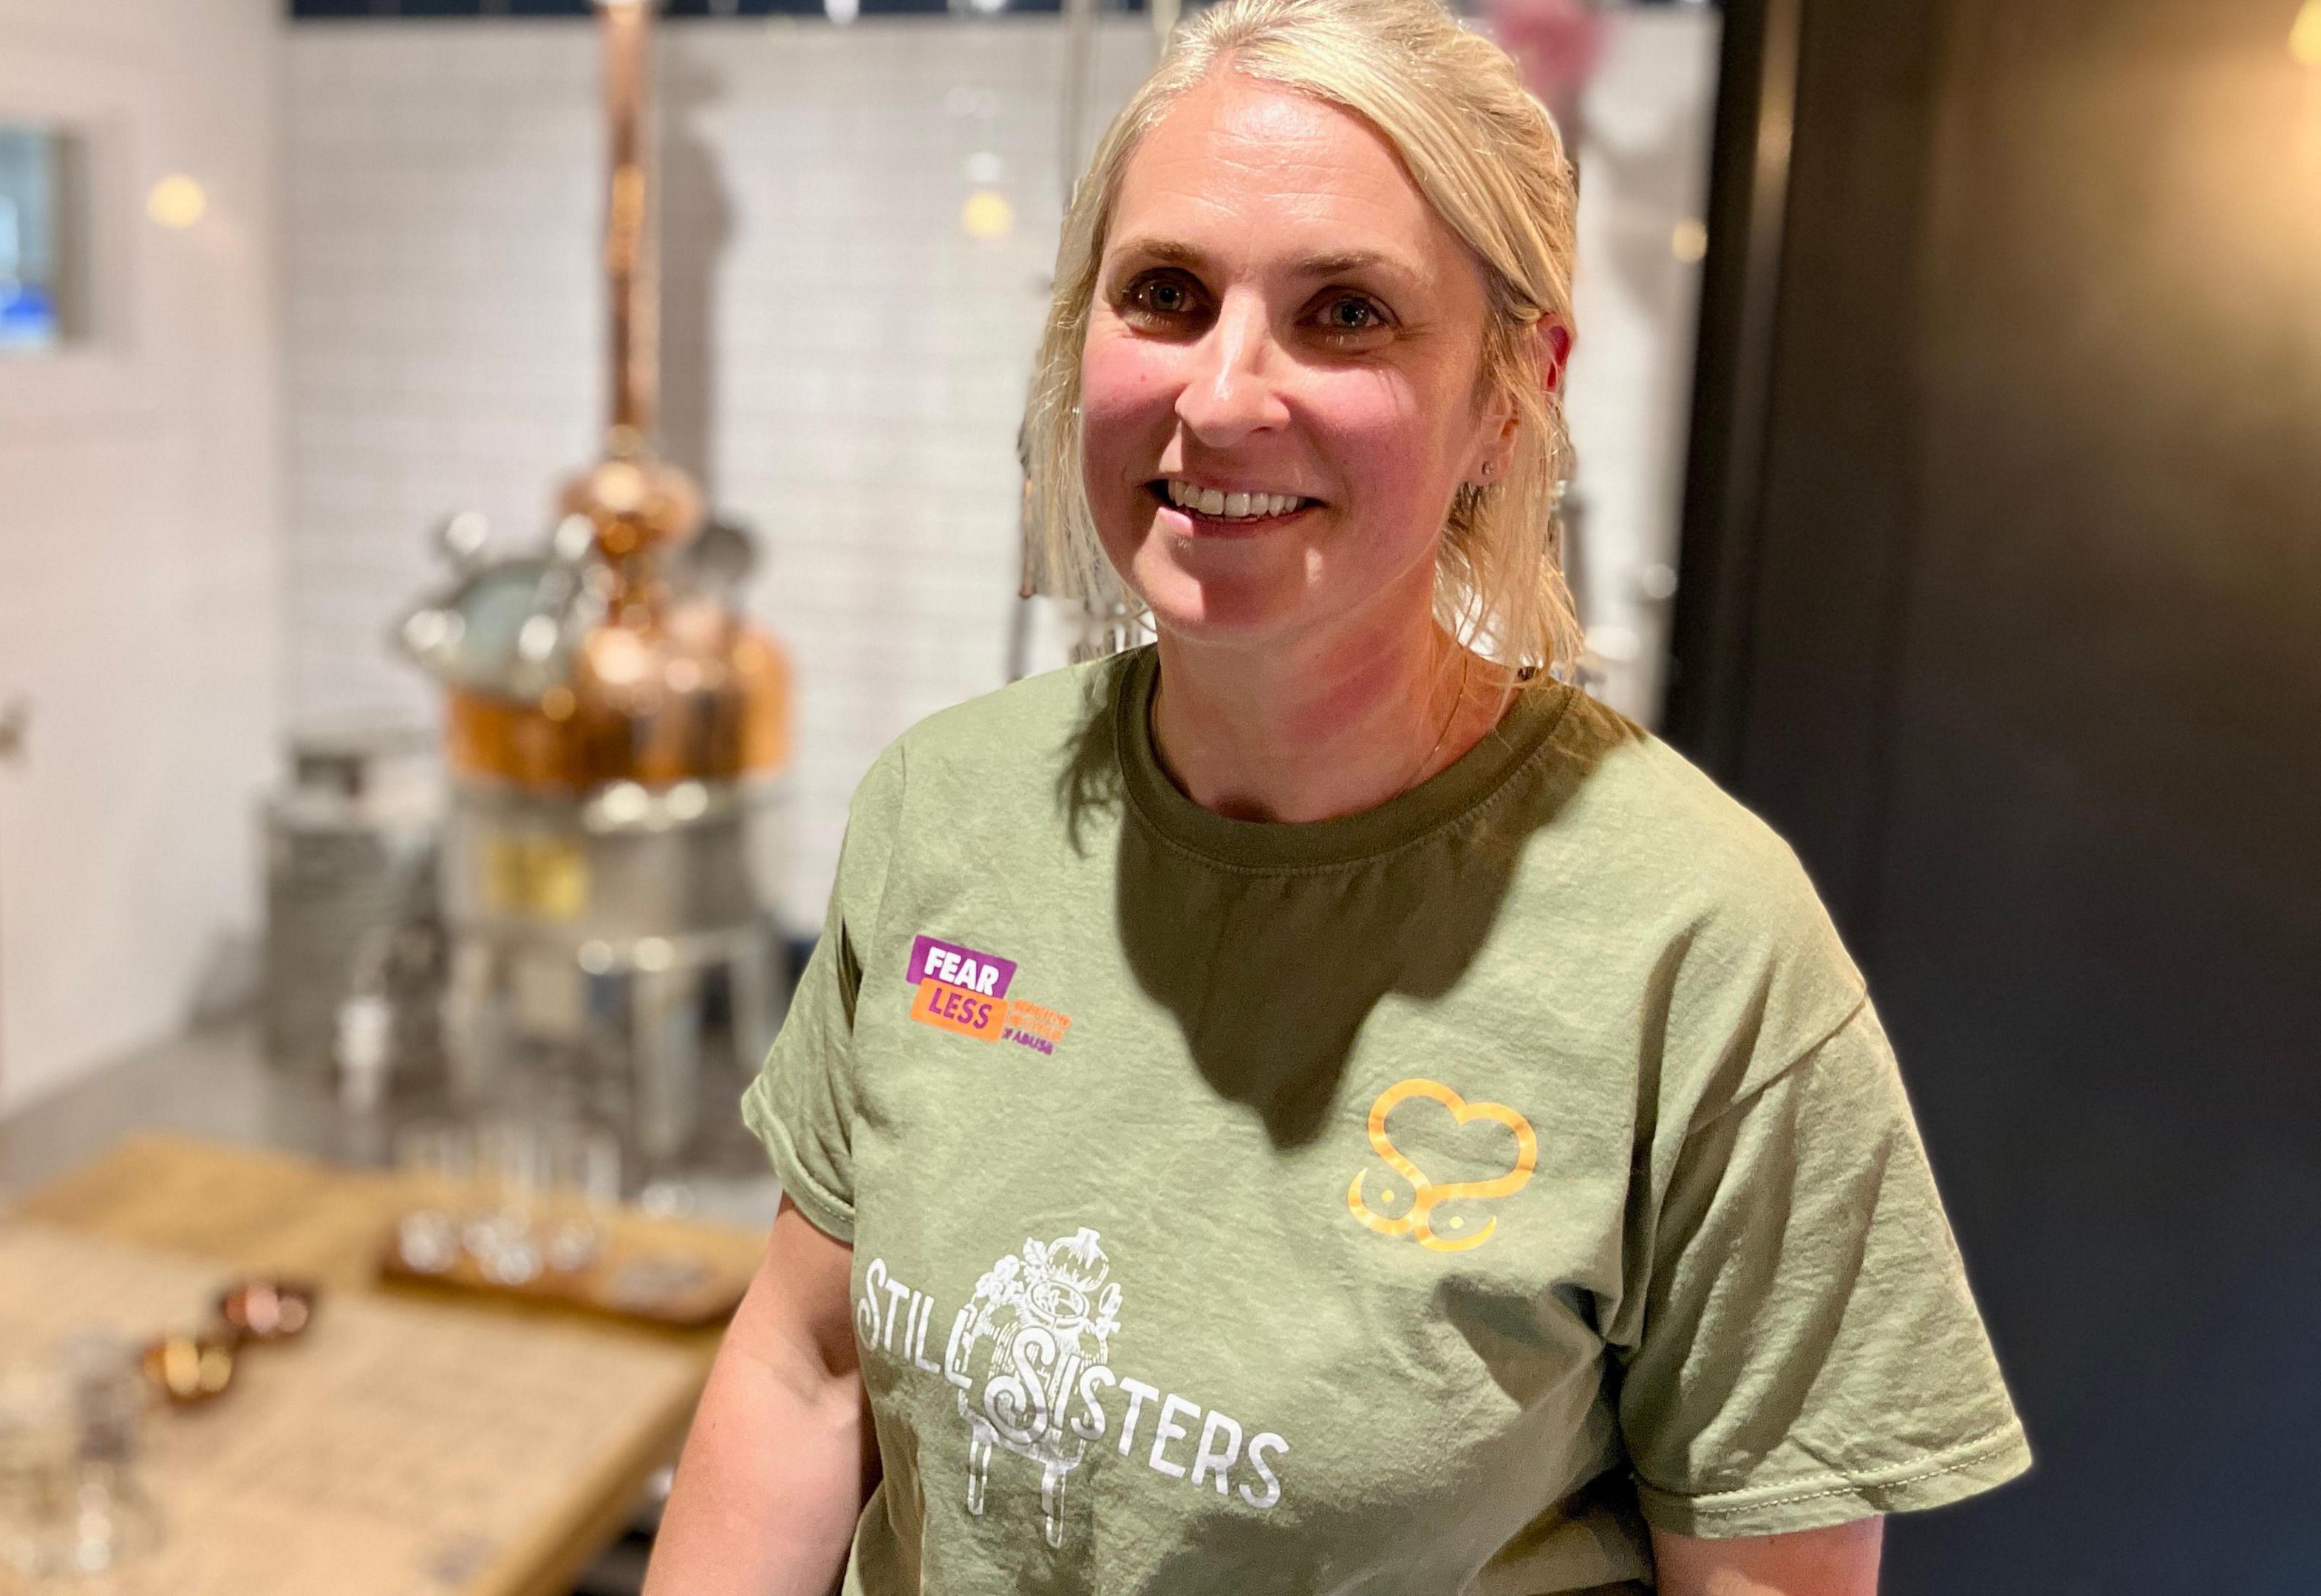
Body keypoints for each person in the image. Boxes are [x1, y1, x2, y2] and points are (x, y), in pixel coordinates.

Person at [644, 0, 2028, 1589]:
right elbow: (807, 1372)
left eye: (1347, 314)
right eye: (1165, 294)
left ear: (1508, 400)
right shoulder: (942, 812)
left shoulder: (1700, 949)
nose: (1223, 396)